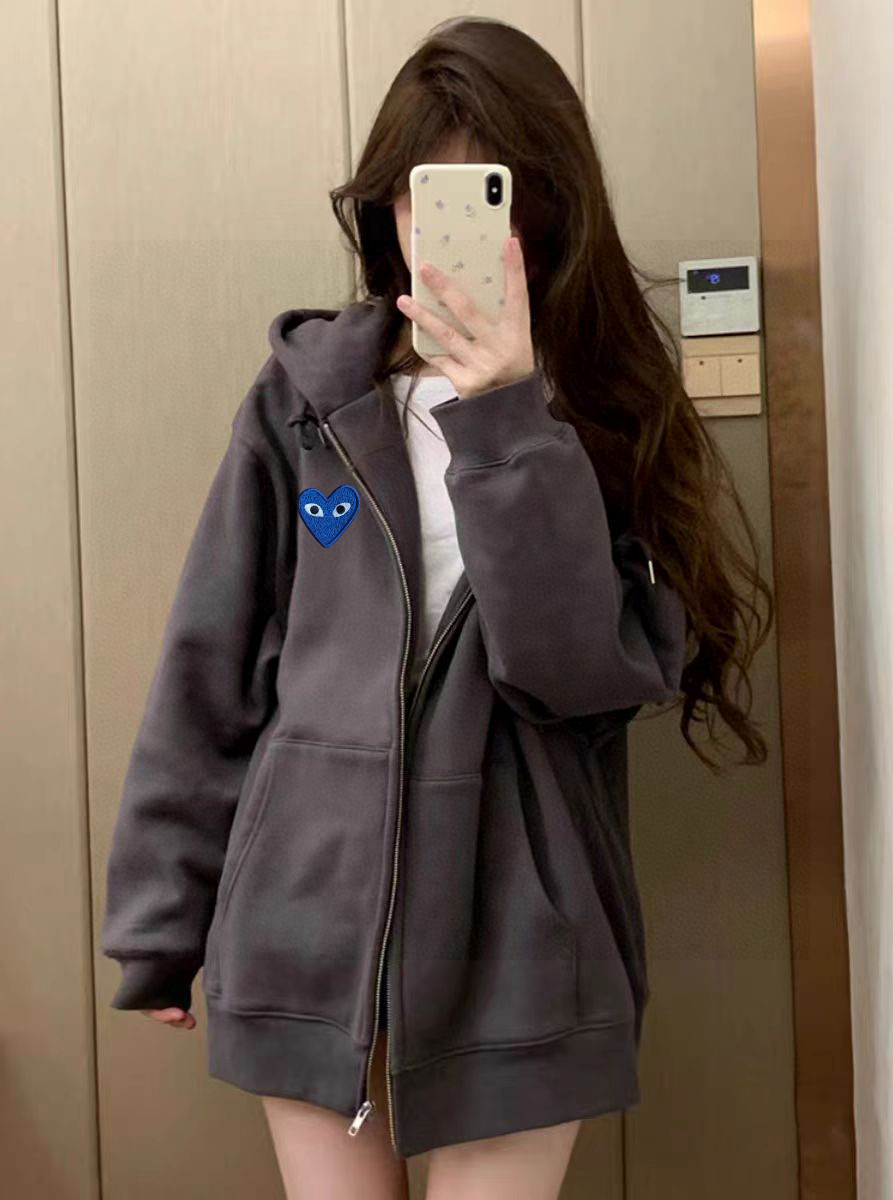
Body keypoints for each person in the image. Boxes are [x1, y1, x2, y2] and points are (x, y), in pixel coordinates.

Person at [100, 16, 772, 1200]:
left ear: (547, 208)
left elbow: (578, 674)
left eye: (489, 190)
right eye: (425, 191)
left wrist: (508, 412)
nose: (450, 225)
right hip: (310, 917)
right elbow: (212, 660)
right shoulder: (308, 401)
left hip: (522, 938)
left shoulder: (604, 411)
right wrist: (162, 919)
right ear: (387, 209)